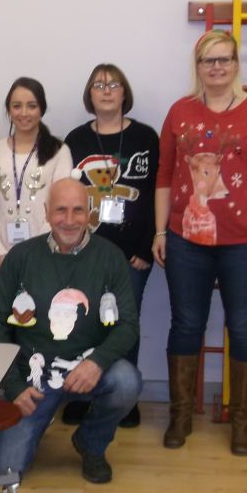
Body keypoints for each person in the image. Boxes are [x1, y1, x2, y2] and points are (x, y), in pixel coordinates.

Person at [153, 30, 247, 456]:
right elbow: (164, 178)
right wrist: (159, 231)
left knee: (244, 327)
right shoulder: (178, 112)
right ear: (198, 67)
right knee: (186, 325)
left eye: (224, 59)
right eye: (209, 60)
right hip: (186, 240)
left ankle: (242, 423)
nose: (217, 67)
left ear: (236, 64)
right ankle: (180, 415)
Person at [0, 178, 141, 484]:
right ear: (46, 212)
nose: (69, 221)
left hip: (85, 367)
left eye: (78, 211)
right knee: (4, 471)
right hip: (35, 375)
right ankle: (34, 423)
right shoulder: (21, 257)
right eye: (60, 210)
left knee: (126, 381)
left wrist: (96, 362)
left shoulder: (110, 257)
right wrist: (15, 386)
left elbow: (128, 325)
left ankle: (91, 443)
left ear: (90, 212)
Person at [63, 63, 160, 429]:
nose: (106, 90)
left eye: (114, 84)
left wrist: (147, 246)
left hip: (132, 254)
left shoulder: (146, 137)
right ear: (90, 94)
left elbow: (154, 194)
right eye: (99, 85)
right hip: (83, 251)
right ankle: (77, 393)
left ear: (124, 93)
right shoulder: (74, 140)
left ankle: (124, 398)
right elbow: (67, 198)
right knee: (80, 321)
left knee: (124, 325)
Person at [0, 77, 72, 276]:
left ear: (42, 109)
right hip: (1, 260)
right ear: (8, 109)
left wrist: (34, 254)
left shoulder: (59, 151)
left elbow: (60, 206)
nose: (24, 113)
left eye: (31, 106)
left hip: (45, 256)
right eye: (17, 106)